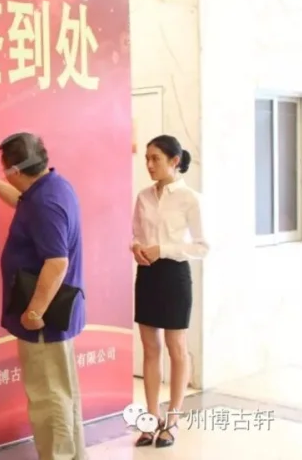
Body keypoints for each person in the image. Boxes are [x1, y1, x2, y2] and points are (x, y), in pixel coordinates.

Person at [0, 132, 87, 460]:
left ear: (16, 170)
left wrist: (34, 312)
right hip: (53, 316)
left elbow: (57, 262)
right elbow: (22, 201)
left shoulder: (45, 203)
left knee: (49, 398)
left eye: (4, 169)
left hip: (45, 319)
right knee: (62, 392)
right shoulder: (50, 187)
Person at [132, 135, 208, 448]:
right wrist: (136, 247)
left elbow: (202, 247)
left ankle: (173, 419)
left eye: (156, 159)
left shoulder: (190, 198)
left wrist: (162, 249)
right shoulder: (143, 196)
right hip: (147, 274)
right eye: (147, 158)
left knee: (176, 347)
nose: (149, 165)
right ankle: (151, 419)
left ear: (174, 161)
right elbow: (136, 234)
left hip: (175, 275)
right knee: (150, 348)